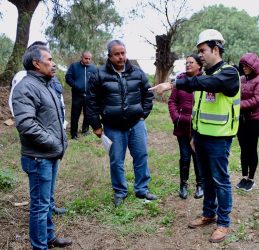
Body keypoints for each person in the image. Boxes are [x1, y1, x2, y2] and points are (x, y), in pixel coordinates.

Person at [150, 29, 240, 243]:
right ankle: (209, 213)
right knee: (207, 179)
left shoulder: (228, 74)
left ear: (215, 50)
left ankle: (223, 223)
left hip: (219, 138)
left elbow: (207, 85)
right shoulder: (205, 75)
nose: (200, 55)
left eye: (203, 51)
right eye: (199, 51)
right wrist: (194, 135)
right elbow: (199, 108)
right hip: (201, 137)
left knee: (220, 180)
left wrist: (173, 84)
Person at [12, 44, 72, 249]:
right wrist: (54, 142)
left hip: (49, 154)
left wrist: (60, 141)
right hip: (38, 157)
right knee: (39, 205)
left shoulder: (46, 84)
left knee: (46, 202)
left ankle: (49, 237)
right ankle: (40, 246)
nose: (53, 64)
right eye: (49, 60)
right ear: (36, 64)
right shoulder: (26, 87)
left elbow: (51, 119)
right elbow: (26, 124)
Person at [86, 40, 157, 207]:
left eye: (123, 53)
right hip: (113, 126)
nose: (121, 57)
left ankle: (142, 189)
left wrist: (142, 115)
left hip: (136, 124)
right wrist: (96, 125)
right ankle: (120, 191)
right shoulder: (98, 74)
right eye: (117, 54)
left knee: (141, 156)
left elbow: (148, 95)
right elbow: (91, 102)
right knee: (116, 160)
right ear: (109, 56)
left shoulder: (137, 73)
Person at [168, 54, 204, 199]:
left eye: (191, 62)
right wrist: (176, 117)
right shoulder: (180, 80)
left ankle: (200, 185)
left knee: (198, 157)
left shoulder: (204, 81)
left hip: (199, 128)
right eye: (186, 62)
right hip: (182, 126)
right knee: (184, 157)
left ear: (199, 65)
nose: (188, 65)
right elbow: (171, 101)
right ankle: (183, 185)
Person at [235, 53, 259, 192]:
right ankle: (243, 177)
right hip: (241, 120)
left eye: (246, 65)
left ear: (253, 66)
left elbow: (256, 100)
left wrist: (236, 105)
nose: (244, 67)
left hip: (254, 120)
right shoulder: (241, 79)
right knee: (243, 149)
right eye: (242, 65)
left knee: (251, 148)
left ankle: (251, 179)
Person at [65, 51, 97, 139]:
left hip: (89, 96)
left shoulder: (93, 68)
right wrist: (76, 85)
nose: (88, 60)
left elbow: (97, 80)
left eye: (89, 59)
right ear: (81, 57)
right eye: (86, 58)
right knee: (75, 114)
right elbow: (68, 78)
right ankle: (74, 134)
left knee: (88, 114)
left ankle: (85, 130)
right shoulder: (74, 66)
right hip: (77, 95)